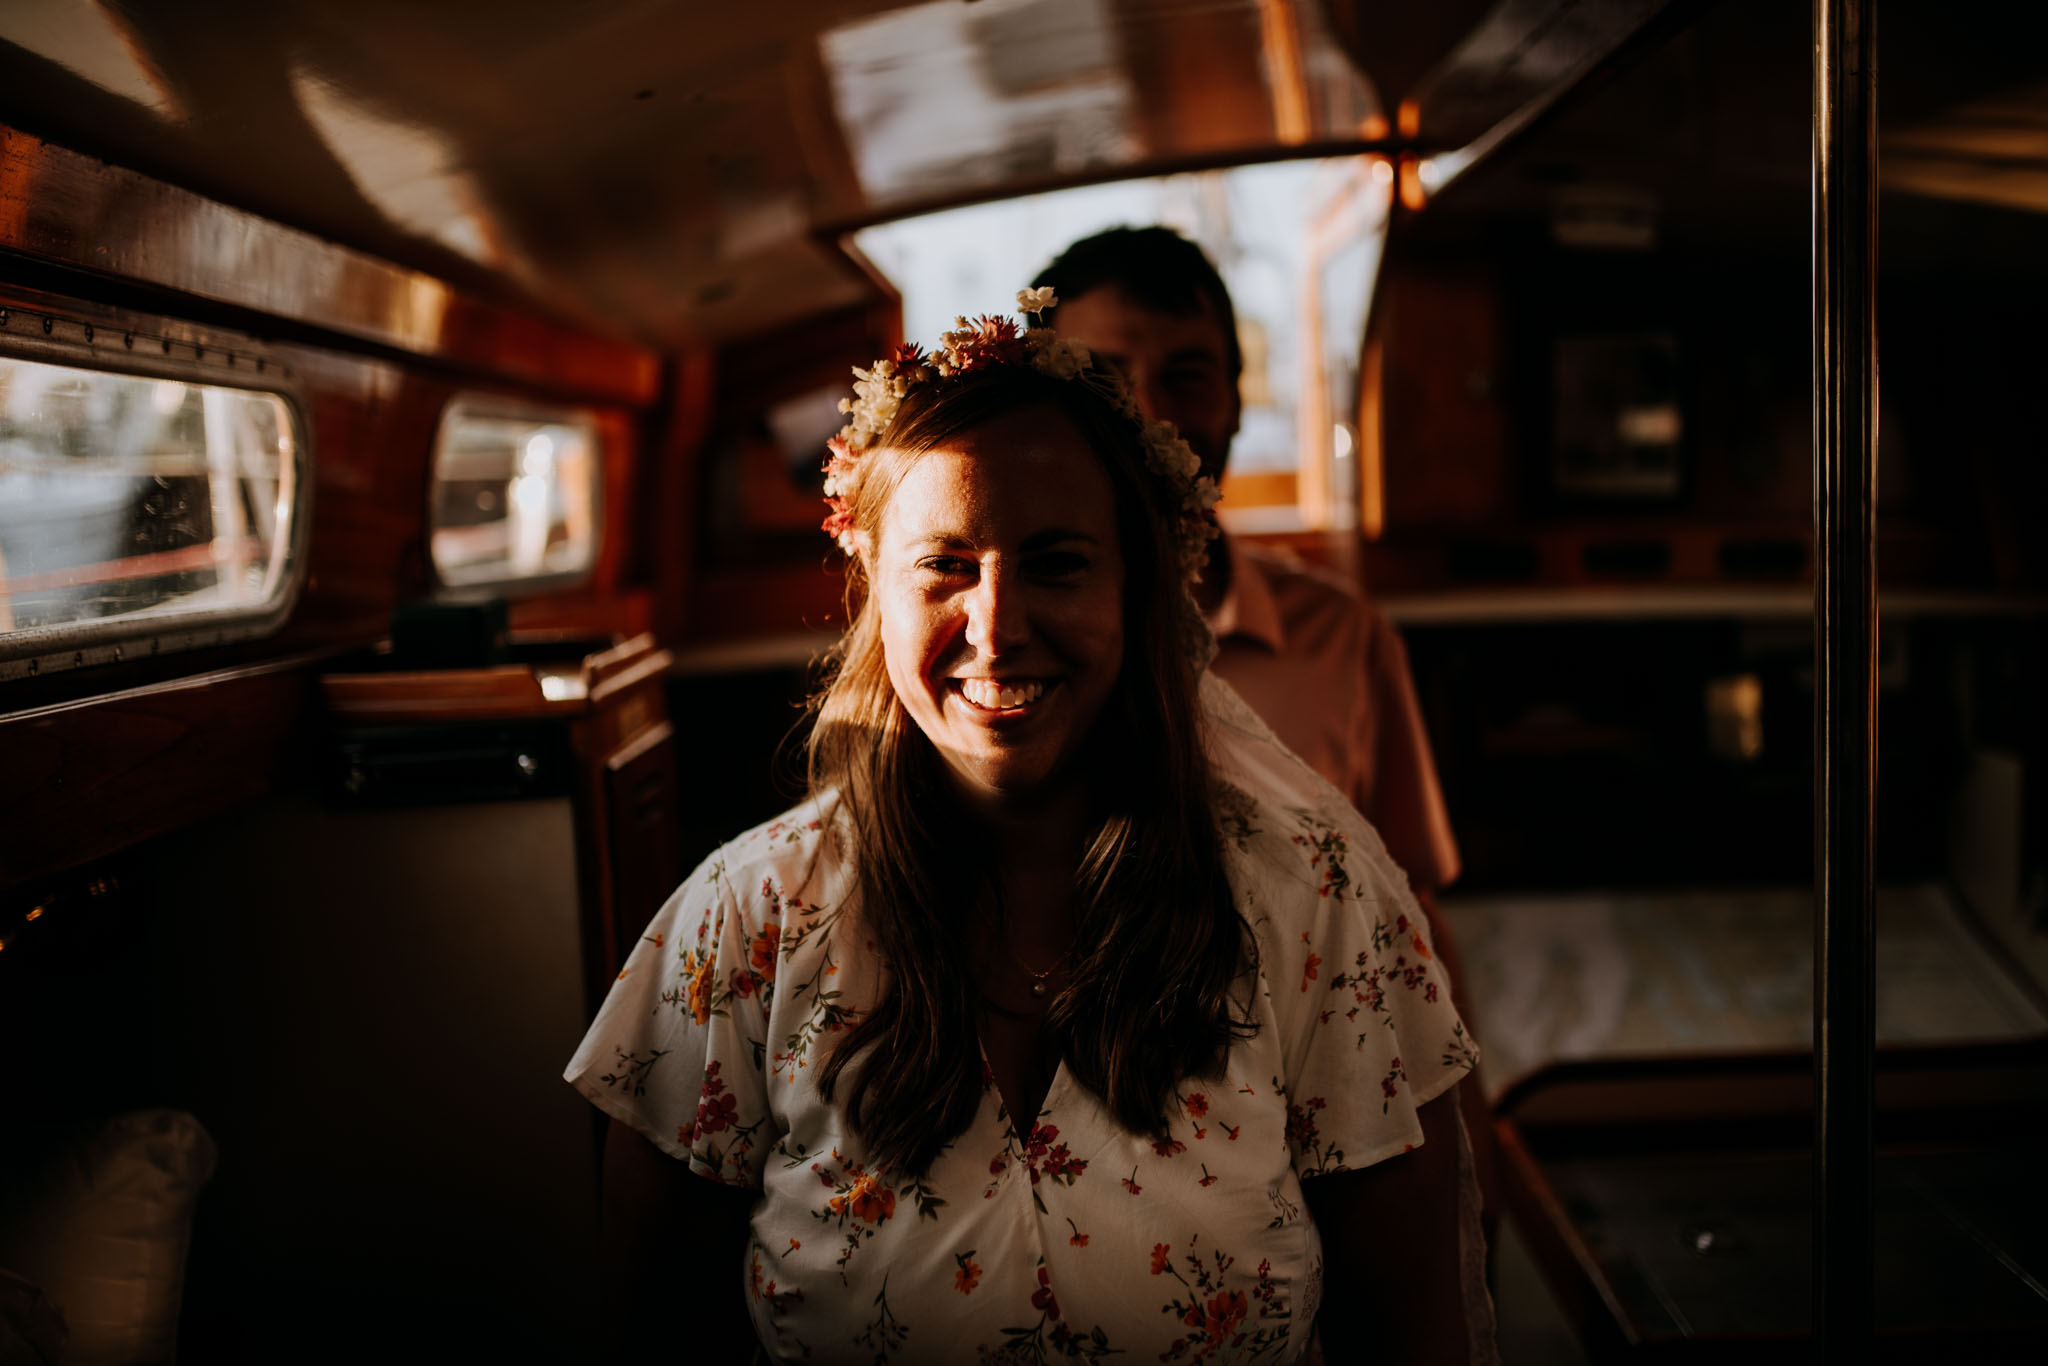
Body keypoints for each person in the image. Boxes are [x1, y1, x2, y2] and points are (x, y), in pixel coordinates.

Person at [569, 294, 1493, 1364]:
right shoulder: (742, 922)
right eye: (945, 564)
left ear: (1136, 590)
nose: (997, 627)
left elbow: (1411, 1332)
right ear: (873, 585)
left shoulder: (1307, 902)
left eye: (1056, 563)